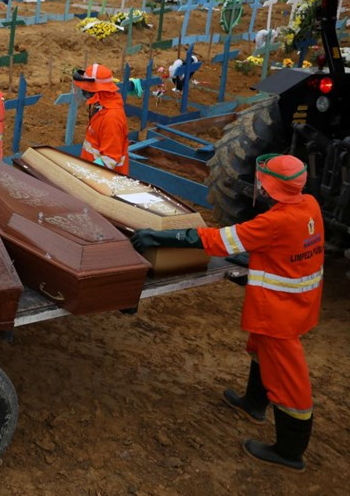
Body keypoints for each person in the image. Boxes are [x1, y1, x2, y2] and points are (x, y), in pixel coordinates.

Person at [131, 154, 323, 472]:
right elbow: (285, 250)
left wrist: (163, 236)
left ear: (272, 188)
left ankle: (290, 450)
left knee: (290, 381)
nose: (258, 185)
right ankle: (254, 403)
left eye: (264, 181)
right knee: (260, 351)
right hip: (296, 303)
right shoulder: (309, 206)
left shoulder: (275, 222)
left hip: (280, 312)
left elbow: (221, 241)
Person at [73, 63, 129, 175]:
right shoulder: (101, 107)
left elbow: (110, 160)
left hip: (104, 180)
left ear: (96, 91)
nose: (83, 91)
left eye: (86, 89)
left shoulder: (111, 118)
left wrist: (85, 174)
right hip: (93, 173)